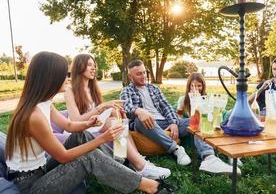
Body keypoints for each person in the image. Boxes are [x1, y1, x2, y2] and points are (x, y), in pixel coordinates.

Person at [5, 51, 173, 194]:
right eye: (64, 74)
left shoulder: (44, 104)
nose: (67, 77)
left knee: (83, 134)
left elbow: (70, 126)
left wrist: (91, 123)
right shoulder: (34, 115)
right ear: (51, 77)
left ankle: (124, 166)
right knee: (87, 157)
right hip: (30, 184)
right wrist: (102, 138)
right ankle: (150, 186)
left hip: (42, 168)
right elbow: (63, 157)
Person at [121, 59, 241, 174]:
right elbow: (125, 106)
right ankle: (176, 149)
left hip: (164, 122)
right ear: (130, 77)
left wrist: (173, 122)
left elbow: (166, 107)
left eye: (144, 73)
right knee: (139, 120)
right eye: (138, 74)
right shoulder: (127, 91)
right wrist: (139, 111)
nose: (143, 76)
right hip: (144, 124)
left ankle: (209, 158)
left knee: (198, 120)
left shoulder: (154, 88)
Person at [64, 54, 171, 180]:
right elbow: (76, 120)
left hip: (93, 124)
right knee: (113, 122)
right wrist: (102, 107)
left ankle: (130, 159)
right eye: (89, 65)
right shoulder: (69, 90)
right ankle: (140, 166)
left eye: (94, 65)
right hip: (80, 129)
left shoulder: (92, 89)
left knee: (117, 115)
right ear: (79, 67)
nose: (93, 68)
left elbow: (98, 114)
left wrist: (114, 110)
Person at [176, 72, 243, 167]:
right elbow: (178, 116)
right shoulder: (183, 100)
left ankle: (231, 153)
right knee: (202, 123)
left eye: (199, 86)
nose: (196, 88)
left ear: (203, 86)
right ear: (189, 86)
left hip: (213, 123)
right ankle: (210, 156)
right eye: (193, 85)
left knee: (234, 112)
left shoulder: (207, 99)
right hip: (197, 128)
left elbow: (213, 115)